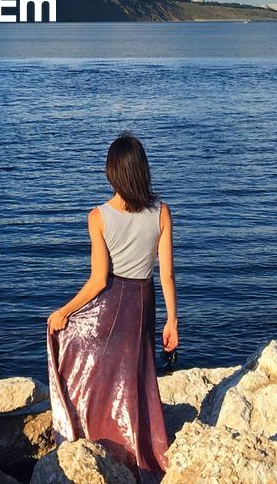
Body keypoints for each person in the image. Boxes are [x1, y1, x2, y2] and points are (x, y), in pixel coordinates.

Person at [46, 132, 177, 480]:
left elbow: (98, 281)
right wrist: (172, 321)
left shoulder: (98, 216)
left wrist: (63, 312)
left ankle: (96, 433)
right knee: (135, 375)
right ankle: (142, 448)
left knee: (92, 372)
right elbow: (167, 277)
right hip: (143, 303)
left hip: (109, 304)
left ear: (112, 173)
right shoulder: (162, 213)